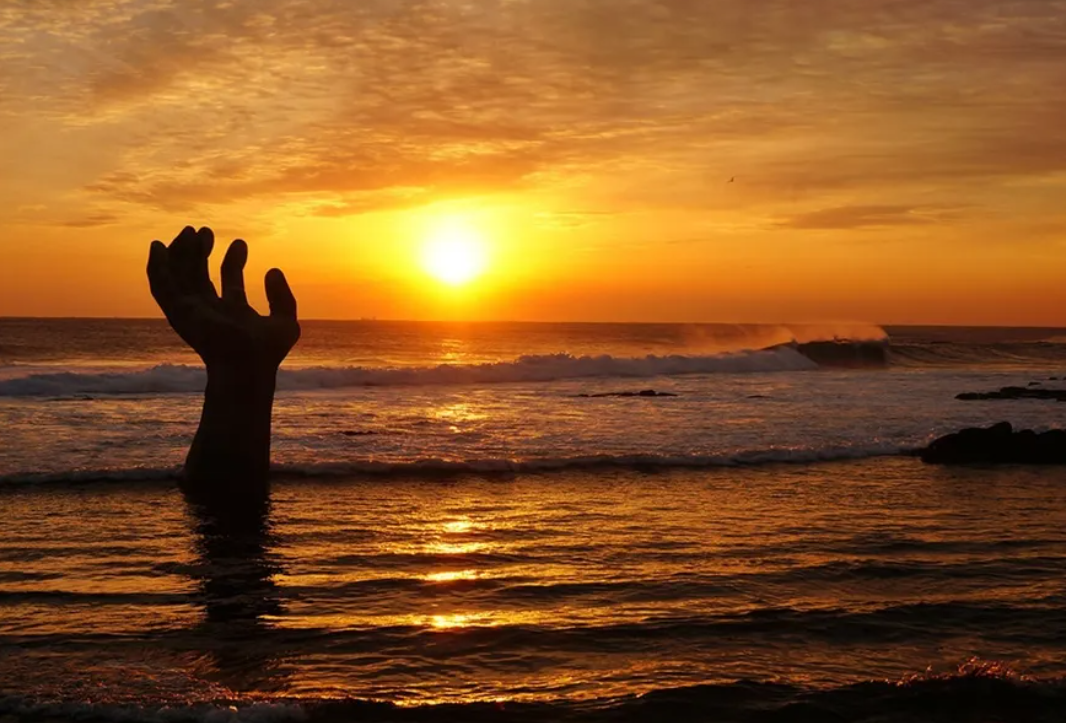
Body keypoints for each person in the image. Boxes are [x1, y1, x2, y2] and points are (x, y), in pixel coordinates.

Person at [147, 225, 300, 501]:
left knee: (227, 526)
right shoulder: (254, 348)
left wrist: (240, 363)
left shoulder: (246, 348)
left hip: (216, 496)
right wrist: (248, 365)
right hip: (248, 494)